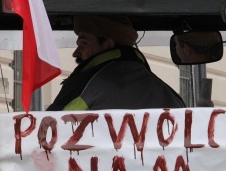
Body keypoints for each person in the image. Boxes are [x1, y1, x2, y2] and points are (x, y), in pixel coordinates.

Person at [47, 15, 185, 111]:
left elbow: (50, 130)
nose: (75, 53)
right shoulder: (168, 95)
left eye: (84, 43)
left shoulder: (85, 86)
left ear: (108, 45)